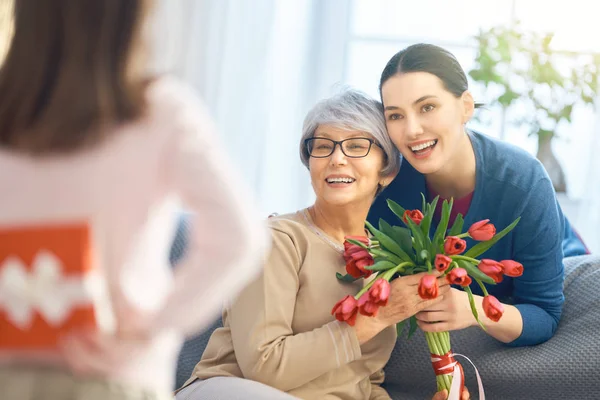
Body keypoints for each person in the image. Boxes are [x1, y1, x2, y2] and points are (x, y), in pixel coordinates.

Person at [0, 1, 267, 399]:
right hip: (112, 376)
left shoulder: (10, 114)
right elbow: (240, 238)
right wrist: (151, 325)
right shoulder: (158, 110)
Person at [176, 89, 469, 400]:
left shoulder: (384, 263)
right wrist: (377, 317)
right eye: (323, 147)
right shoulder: (277, 240)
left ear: (388, 170)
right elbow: (263, 367)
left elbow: (365, 383)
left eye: (357, 146)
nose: (337, 159)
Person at [369, 43, 588, 347]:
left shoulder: (524, 179)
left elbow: (545, 313)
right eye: (395, 116)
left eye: (427, 107)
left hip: (565, 262)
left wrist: (476, 311)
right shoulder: (389, 186)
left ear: (466, 107)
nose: (412, 130)